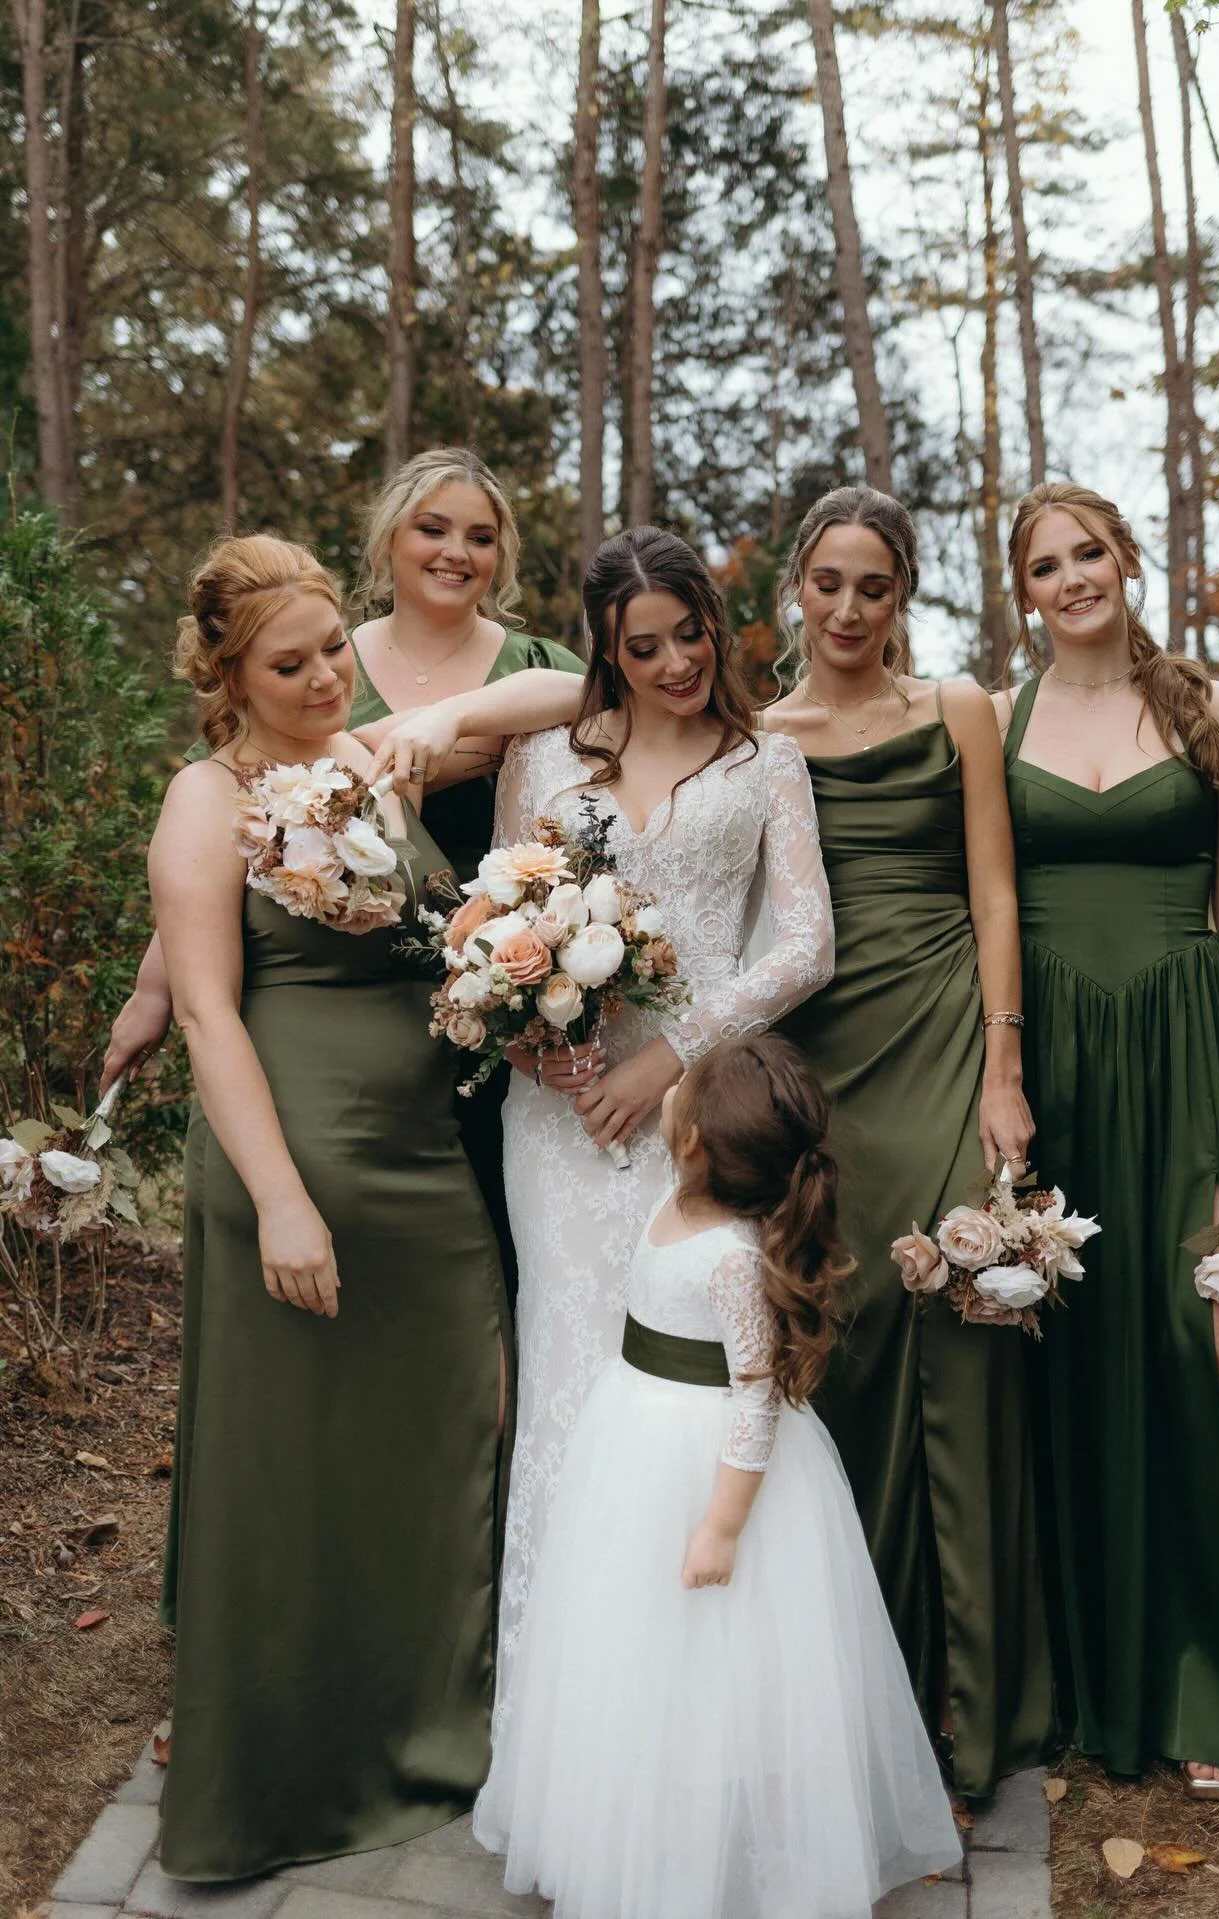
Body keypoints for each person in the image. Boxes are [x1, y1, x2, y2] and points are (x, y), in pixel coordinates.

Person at [148, 536, 562, 1879]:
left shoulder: (374, 765)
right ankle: (280, 1781)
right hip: (298, 1161)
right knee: (294, 1469)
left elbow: (575, 693)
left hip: (422, 1157)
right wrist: (280, 1203)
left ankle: (433, 1733)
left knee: (459, 1420)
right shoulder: (206, 799)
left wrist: (436, 724)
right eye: (291, 661)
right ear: (228, 676)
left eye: (335, 646)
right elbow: (209, 1009)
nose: (327, 675)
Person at [377, 526, 835, 1718]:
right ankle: (565, 1714)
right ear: (607, 650)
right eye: (647, 644)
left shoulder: (762, 760)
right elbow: (499, 919)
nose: (678, 660)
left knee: (699, 1381)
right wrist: (540, 1033)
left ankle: (704, 1696)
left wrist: (672, 1058)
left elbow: (805, 943)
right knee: (572, 1380)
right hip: (558, 1120)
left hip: (699, 1120)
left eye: (693, 631)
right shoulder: (548, 756)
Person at [996, 481, 1219, 1797]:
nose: (1074, 575)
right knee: (1084, 1351)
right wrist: (1005, 1055)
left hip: (1190, 1045)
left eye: (1091, 550)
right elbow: (986, 899)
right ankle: (1094, 1662)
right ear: (1023, 589)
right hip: (1065, 1066)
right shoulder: (1000, 716)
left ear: (1127, 557)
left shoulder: (1216, 708)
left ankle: (1215, 1660)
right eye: (1046, 562)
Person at [473, 1034, 963, 1919]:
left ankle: (734, 1846)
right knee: (634, 1649)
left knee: (726, 1662)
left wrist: (723, 1524)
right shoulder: (672, 1195)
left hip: (707, 1471)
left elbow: (754, 1397)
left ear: (693, 1137)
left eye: (684, 1089)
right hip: (632, 1437)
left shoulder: (735, 1258)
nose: (672, 1088)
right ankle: (640, 1820)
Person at [100, 448, 584, 1287]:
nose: (454, 551)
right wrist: (154, 987)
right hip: (316, 1049)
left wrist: (447, 724)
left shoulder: (465, 698)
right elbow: (212, 865)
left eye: (479, 534)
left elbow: (598, 698)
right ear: (386, 539)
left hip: (476, 1010)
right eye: (431, 527)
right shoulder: (292, 711)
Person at [764, 486, 1054, 1799]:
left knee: (963, 1327)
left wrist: (1004, 1063)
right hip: (823, 1062)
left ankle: (980, 1701)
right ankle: (860, 1694)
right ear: (796, 586)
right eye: (826, 581)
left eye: (871, 585)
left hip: (945, 1036)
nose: (846, 609)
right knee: (852, 1334)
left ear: (904, 594)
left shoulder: (963, 711)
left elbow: (997, 884)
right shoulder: (762, 734)